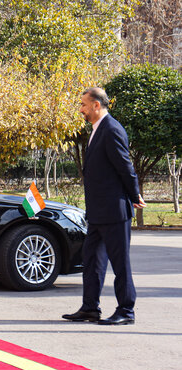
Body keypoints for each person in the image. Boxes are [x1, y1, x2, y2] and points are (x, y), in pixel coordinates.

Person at [63, 87, 146, 325]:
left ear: (97, 105)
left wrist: (135, 194)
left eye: (84, 105)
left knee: (120, 264)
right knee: (92, 262)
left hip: (114, 211)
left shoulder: (111, 130)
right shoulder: (98, 130)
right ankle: (90, 308)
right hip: (98, 212)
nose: (81, 110)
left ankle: (126, 311)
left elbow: (125, 167)